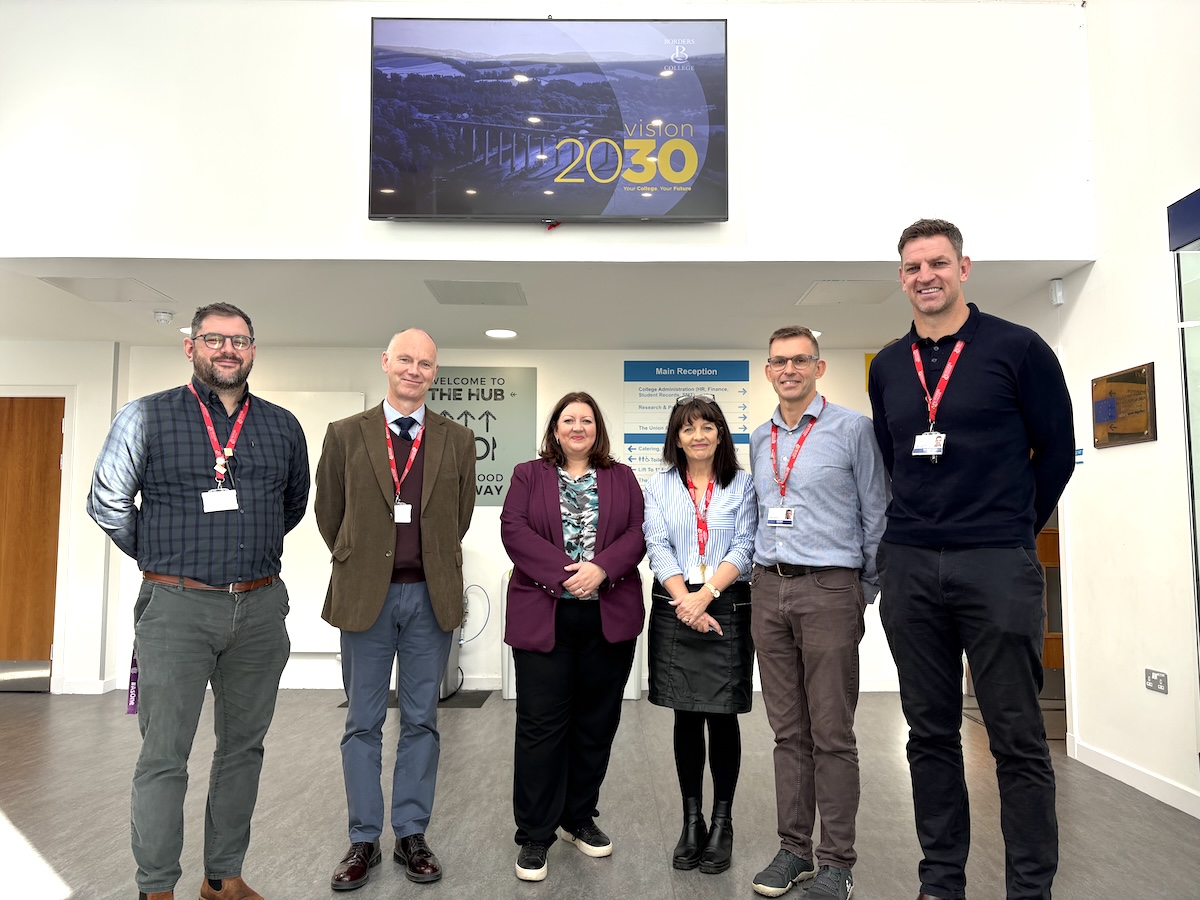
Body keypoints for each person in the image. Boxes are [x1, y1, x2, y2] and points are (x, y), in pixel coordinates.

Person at [868, 219, 1075, 900]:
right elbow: (897, 458)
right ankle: (941, 882)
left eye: (937, 263)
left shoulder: (1019, 349)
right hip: (910, 567)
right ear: (900, 277)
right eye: (911, 267)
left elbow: (1056, 450)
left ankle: (1029, 889)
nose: (924, 276)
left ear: (964, 268)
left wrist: (1012, 528)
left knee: (1015, 738)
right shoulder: (889, 365)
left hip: (995, 563)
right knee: (928, 734)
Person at [87, 302, 310, 900]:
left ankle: (223, 878)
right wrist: (162, 558)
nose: (227, 350)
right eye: (215, 340)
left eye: (240, 340)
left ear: (254, 350)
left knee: (243, 749)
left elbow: (291, 507)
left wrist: (240, 557)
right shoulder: (147, 417)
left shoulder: (283, 426)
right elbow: (107, 502)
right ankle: (157, 887)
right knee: (165, 755)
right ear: (191, 347)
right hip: (175, 609)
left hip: (260, 609)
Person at [314, 328, 476, 890]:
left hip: (429, 599)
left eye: (425, 363)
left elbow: (459, 518)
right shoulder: (344, 435)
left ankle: (410, 833)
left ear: (435, 372)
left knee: (422, 721)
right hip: (366, 598)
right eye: (405, 359)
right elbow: (328, 511)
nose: (414, 369)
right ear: (385, 362)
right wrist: (362, 560)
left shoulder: (456, 439)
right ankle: (363, 839)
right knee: (362, 723)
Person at [748, 326, 888, 900]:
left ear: (819, 367)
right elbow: (757, 513)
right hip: (768, 589)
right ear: (768, 371)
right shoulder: (759, 439)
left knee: (832, 732)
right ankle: (793, 851)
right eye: (779, 361)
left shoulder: (854, 430)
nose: (789, 370)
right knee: (787, 733)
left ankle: (836, 862)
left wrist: (862, 589)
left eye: (799, 360)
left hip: (830, 588)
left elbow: (877, 513)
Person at [500, 391, 646, 883]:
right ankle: (535, 833)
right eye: (569, 419)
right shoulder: (528, 474)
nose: (578, 426)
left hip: (608, 617)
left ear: (596, 428)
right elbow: (514, 530)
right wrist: (566, 575)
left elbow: (637, 532)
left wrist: (602, 568)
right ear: (556, 429)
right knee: (541, 726)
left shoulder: (621, 476)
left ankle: (578, 817)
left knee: (596, 723)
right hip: (546, 616)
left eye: (586, 419)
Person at [642, 396, 756, 874]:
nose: (698, 436)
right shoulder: (660, 484)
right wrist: (683, 600)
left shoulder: (743, 484)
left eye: (707, 426)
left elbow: (747, 543)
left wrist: (704, 595)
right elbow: (656, 542)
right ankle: (692, 821)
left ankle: (722, 822)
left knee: (722, 716)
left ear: (721, 434)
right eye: (688, 428)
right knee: (686, 716)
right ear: (676, 437)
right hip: (674, 602)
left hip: (725, 602)